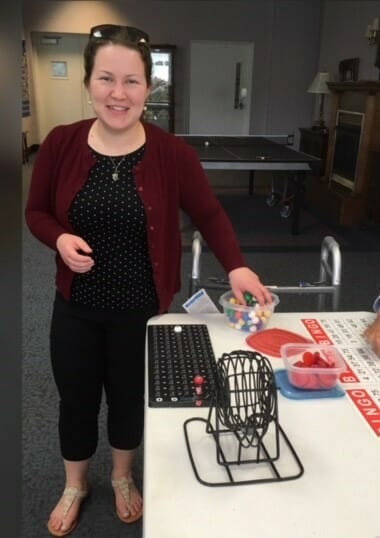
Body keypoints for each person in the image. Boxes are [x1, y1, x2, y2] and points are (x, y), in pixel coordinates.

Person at [25, 24, 273, 536]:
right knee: (76, 398)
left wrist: (238, 265)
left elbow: (210, 215)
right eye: (107, 79)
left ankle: (119, 476)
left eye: (132, 81)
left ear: (149, 88)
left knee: (127, 397)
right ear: (89, 83)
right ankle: (75, 483)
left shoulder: (172, 154)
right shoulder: (60, 143)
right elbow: (36, 212)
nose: (119, 94)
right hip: (75, 306)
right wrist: (59, 240)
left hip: (141, 308)